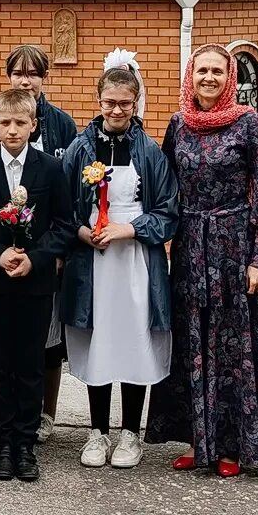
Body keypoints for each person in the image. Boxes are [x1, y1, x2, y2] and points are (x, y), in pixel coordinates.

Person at [146, 45, 258, 477]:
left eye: (217, 71)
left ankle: (231, 447)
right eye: (201, 70)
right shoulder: (177, 123)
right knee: (191, 340)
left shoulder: (248, 123)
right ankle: (196, 441)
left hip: (233, 246)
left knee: (231, 345)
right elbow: (164, 186)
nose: (208, 78)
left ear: (230, 77)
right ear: (191, 74)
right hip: (188, 246)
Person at [60, 53, 178, 471]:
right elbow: (63, 208)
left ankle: (130, 431)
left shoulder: (150, 152)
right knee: (99, 340)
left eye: (124, 103)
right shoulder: (78, 149)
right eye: (109, 102)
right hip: (93, 260)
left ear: (135, 103)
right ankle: (97, 431)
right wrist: (82, 232)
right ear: (98, 100)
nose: (115, 110)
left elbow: (167, 211)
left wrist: (129, 230)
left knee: (132, 340)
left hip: (135, 260)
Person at [0, 88, 74, 483]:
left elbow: (64, 224)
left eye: (20, 123)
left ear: (34, 125)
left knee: (30, 363)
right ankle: (3, 440)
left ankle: (26, 443)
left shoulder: (50, 169)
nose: (12, 130)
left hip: (35, 283)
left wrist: (35, 256)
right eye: (5, 123)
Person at [0, 43, 77, 443]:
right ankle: (3, 424)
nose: (26, 79)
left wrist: (46, 256)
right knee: (1, 349)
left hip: (41, 256)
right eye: (18, 73)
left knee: (44, 343)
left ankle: (42, 416)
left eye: (34, 73)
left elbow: (65, 203)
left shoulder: (61, 125)